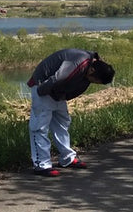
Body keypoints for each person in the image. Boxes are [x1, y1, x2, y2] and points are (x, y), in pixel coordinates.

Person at [26, 48, 115, 176]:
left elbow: (72, 86)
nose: (93, 83)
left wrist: (61, 96)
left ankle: (67, 159)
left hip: (58, 91)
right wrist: (41, 92)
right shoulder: (78, 62)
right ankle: (42, 164)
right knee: (39, 126)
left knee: (62, 122)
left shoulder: (92, 67)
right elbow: (57, 78)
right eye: (95, 81)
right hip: (43, 85)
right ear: (92, 70)